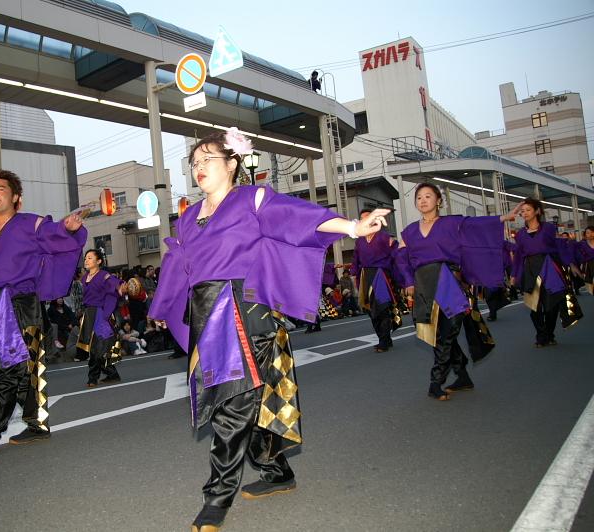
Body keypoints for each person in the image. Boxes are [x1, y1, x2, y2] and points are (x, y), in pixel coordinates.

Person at [148, 128, 390, 531]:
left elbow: (298, 218)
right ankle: (278, 473)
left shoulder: (252, 199)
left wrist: (352, 228)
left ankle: (216, 498)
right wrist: (165, 305)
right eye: (194, 163)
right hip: (207, 314)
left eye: (208, 159)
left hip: (246, 310)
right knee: (250, 401)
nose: (199, 168)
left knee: (233, 405)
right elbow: (181, 266)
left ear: (232, 164)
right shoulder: (189, 217)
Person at [0, 169, 86, 459]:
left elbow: (55, 234)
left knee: (11, 370)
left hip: (20, 305)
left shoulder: (30, 223)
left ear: (16, 197)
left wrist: (68, 227)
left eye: (1, 189)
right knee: (22, 370)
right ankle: (36, 424)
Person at [395, 183, 520, 401]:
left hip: (449, 282)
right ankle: (462, 376)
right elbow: (400, 258)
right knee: (436, 336)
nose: (423, 201)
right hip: (423, 284)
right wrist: (407, 281)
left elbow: (477, 225)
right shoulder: (409, 231)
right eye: (419, 198)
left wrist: (502, 218)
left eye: (428, 196)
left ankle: (436, 382)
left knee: (449, 331)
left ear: (438, 201)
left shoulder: (452, 222)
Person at [511, 199, 582, 347]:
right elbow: (518, 256)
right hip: (530, 269)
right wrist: (514, 275)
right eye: (522, 211)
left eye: (528, 210)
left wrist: (570, 263)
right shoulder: (520, 234)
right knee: (534, 306)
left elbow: (558, 246)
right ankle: (541, 336)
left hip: (549, 267)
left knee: (552, 305)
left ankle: (548, 334)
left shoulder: (548, 228)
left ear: (537, 211)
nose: (524, 213)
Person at [351, 208, 400, 352]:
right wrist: (354, 273)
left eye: (369, 217)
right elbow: (356, 260)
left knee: (382, 308)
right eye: (363, 218)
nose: (366, 220)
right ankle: (384, 338)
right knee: (370, 310)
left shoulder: (383, 236)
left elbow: (396, 252)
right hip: (366, 275)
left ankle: (384, 341)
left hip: (381, 275)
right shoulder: (359, 241)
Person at [77, 249, 127, 387]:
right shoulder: (84, 278)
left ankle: (93, 378)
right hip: (89, 314)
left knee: (100, 347)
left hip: (101, 314)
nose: (86, 260)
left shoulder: (103, 275)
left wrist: (120, 288)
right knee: (94, 347)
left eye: (90, 258)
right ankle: (112, 374)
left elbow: (113, 283)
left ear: (99, 261)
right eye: (86, 258)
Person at [575, 226, 594, 295]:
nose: (591, 234)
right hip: (589, 267)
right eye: (588, 233)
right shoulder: (582, 244)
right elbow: (579, 257)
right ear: (585, 235)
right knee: (592, 288)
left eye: (592, 232)